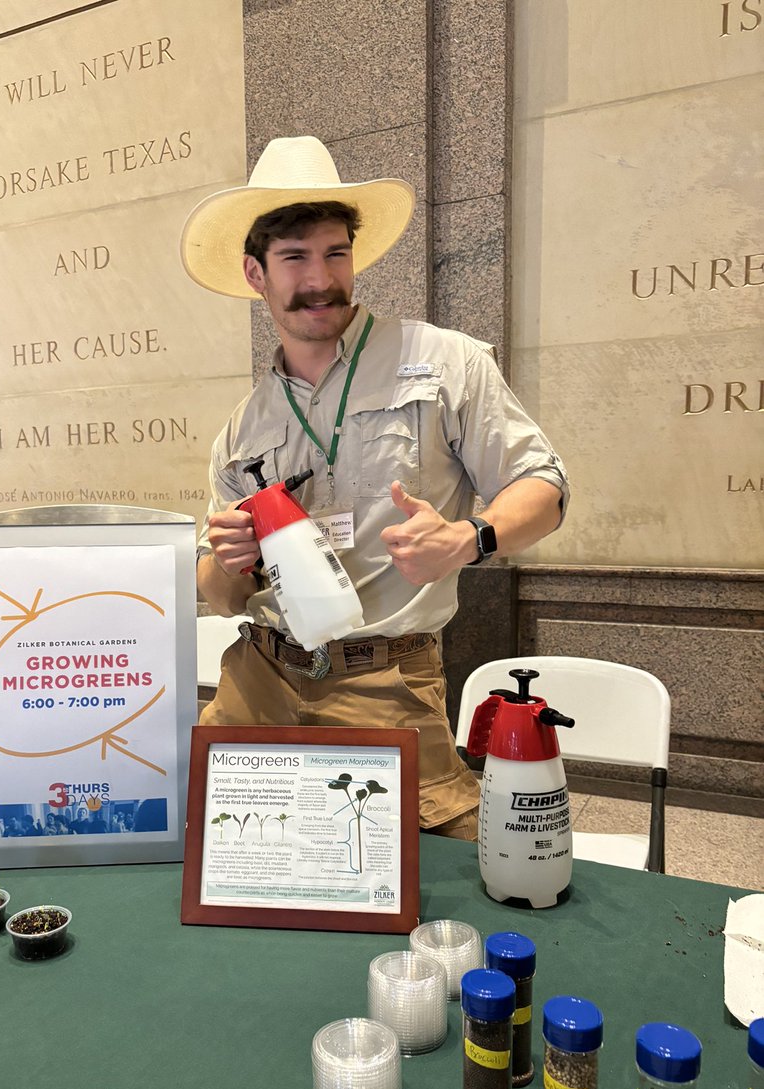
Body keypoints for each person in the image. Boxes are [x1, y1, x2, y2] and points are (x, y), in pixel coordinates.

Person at [180, 136, 569, 840]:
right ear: (254, 273)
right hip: (258, 680)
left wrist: (468, 538)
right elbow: (222, 596)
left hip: (385, 680)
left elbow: (543, 486)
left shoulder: (442, 361)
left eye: (335, 253)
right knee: (218, 858)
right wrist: (226, 558)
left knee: (428, 877)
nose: (320, 278)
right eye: (295, 257)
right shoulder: (243, 430)